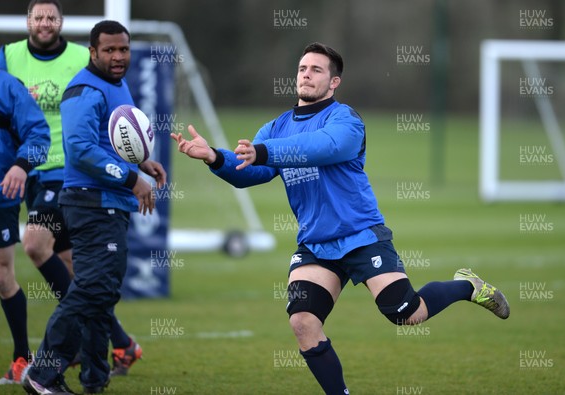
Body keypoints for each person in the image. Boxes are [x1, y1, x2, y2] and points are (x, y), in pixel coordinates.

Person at [171, 42, 510, 394]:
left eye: (317, 70)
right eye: (303, 68)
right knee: (303, 322)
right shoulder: (275, 128)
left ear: (334, 83)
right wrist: (214, 157)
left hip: (361, 235)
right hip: (316, 243)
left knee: (408, 313)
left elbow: (324, 146)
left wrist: (263, 152)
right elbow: (249, 173)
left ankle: (468, 286)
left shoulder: (345, 120)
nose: (306, 74)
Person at [0, 0, 142, 383]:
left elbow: (104, 130)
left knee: (34, 243)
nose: (45, 22)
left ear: (61, 22)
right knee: (81, 270)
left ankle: (49, 361)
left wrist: (137, 164)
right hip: (26, 171)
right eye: (38, 16)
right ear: (27, 21)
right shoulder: (8, 57)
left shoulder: (87, 61)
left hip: (67, 174)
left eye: (52, 16)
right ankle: (117, 347)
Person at [22, 20, 166, 395]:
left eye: (123, 49)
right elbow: (82, 149)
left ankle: (94, 380)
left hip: (109, 203)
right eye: (110, 50)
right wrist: (132, 179)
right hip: (90, 202)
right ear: (93, 52)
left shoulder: (118, 85)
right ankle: (43, 372)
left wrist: (141, 163)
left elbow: (113, 141)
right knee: (89, 291)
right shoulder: (84, 90)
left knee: (101, 294)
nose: (118, 57)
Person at [0, 68, 50, 388]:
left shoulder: (7, 86)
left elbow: (38, 134)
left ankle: (22, 357)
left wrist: (20, 165)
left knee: (2, 276)